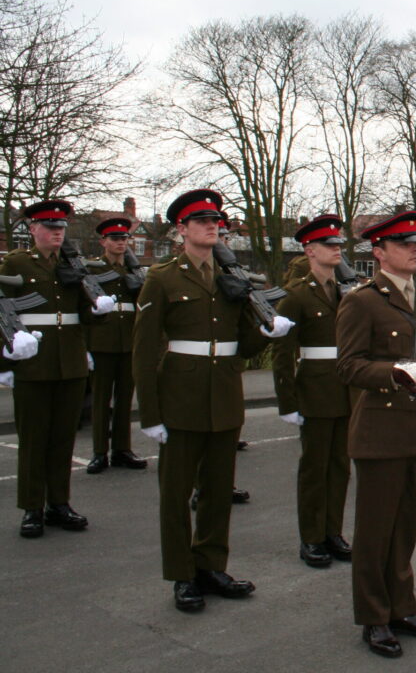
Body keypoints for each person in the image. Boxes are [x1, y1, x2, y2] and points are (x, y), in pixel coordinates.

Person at [134, 189, 293, 612]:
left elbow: (241, 347)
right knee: (175, 493)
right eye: (202, 220)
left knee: (218, 490)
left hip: (223, 392)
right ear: (181, 229)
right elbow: (144, 349)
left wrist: (267, 332)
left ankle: (210, 566)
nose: (212, 226)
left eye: (216, 220)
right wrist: (150, 413)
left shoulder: (231, 278)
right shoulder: (163, 277)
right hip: (180, 395)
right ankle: (181, 573)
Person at [335, 210, 416, 658]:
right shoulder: (362, 301)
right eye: (404, 244)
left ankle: (402, 607)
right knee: (375, 531)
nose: (414, 250)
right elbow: (349, 365)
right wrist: (395, 373)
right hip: (382, 430)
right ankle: (374, 616)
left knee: (405, 527)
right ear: (379, 252)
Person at [1, 199, 105, 539]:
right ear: (33, 229)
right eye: (49, 227)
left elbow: (83, 315)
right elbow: (2, 311)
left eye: (61, 228)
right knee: (34, 439)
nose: (57, 233)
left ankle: (59, 503)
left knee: (63, 438)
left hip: (70, 361)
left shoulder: (73, 264)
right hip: (34, 362)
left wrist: (97, 308)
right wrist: (5, 358)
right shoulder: (17, 262)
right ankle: (32, 507)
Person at [272, 215, 353, 568]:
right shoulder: (296, 295)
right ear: (309, 250)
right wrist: (287, 401)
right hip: (315, 390)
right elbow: (282, 352)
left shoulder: (346, 291)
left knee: (340, 467)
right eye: (329, 245)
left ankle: (333, 532)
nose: (337, 250)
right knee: (314, 469)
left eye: (338, 245)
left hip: (345, 389)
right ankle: (312, 537)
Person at [85, 217, 147, 474]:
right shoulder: (93, 269)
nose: (121, 243)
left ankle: (122, 449)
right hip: (102, 340)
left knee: (124, 399)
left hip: (128, 340)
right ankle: (99, 451)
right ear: (103, 242)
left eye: (124, 238)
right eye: (115, 239)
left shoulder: (134, 270)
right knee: (101, 400)